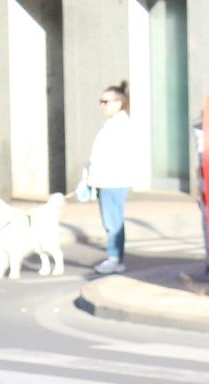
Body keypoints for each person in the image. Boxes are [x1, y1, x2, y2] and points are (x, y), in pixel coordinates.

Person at [83, 83, 138, 275]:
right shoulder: (113, 124)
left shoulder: (120, 126)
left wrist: (92, 177)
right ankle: (114, 257)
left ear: (119, 102)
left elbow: (111, 157)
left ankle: (115, 259)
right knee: (111, 220)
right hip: (107, 180)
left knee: (113, 221)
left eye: (106, 101)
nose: (102, 105)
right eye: (101, 101)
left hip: (113, 180)